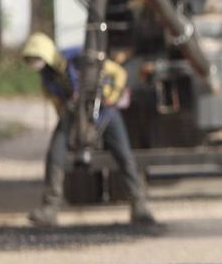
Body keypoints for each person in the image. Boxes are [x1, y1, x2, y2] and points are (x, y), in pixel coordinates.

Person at [21, 33, 155, 227]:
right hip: (73, 116)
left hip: (105, 114)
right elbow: (56, 102)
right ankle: (50, 209)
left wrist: (112, 96)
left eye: (37, 58)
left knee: (124, 157)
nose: (35, 63)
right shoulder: (48, 77)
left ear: (47, 55)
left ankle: (140, 206)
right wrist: (70, 125)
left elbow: (119, 73)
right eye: (31, 60)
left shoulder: (80, 59)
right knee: (54, 155)